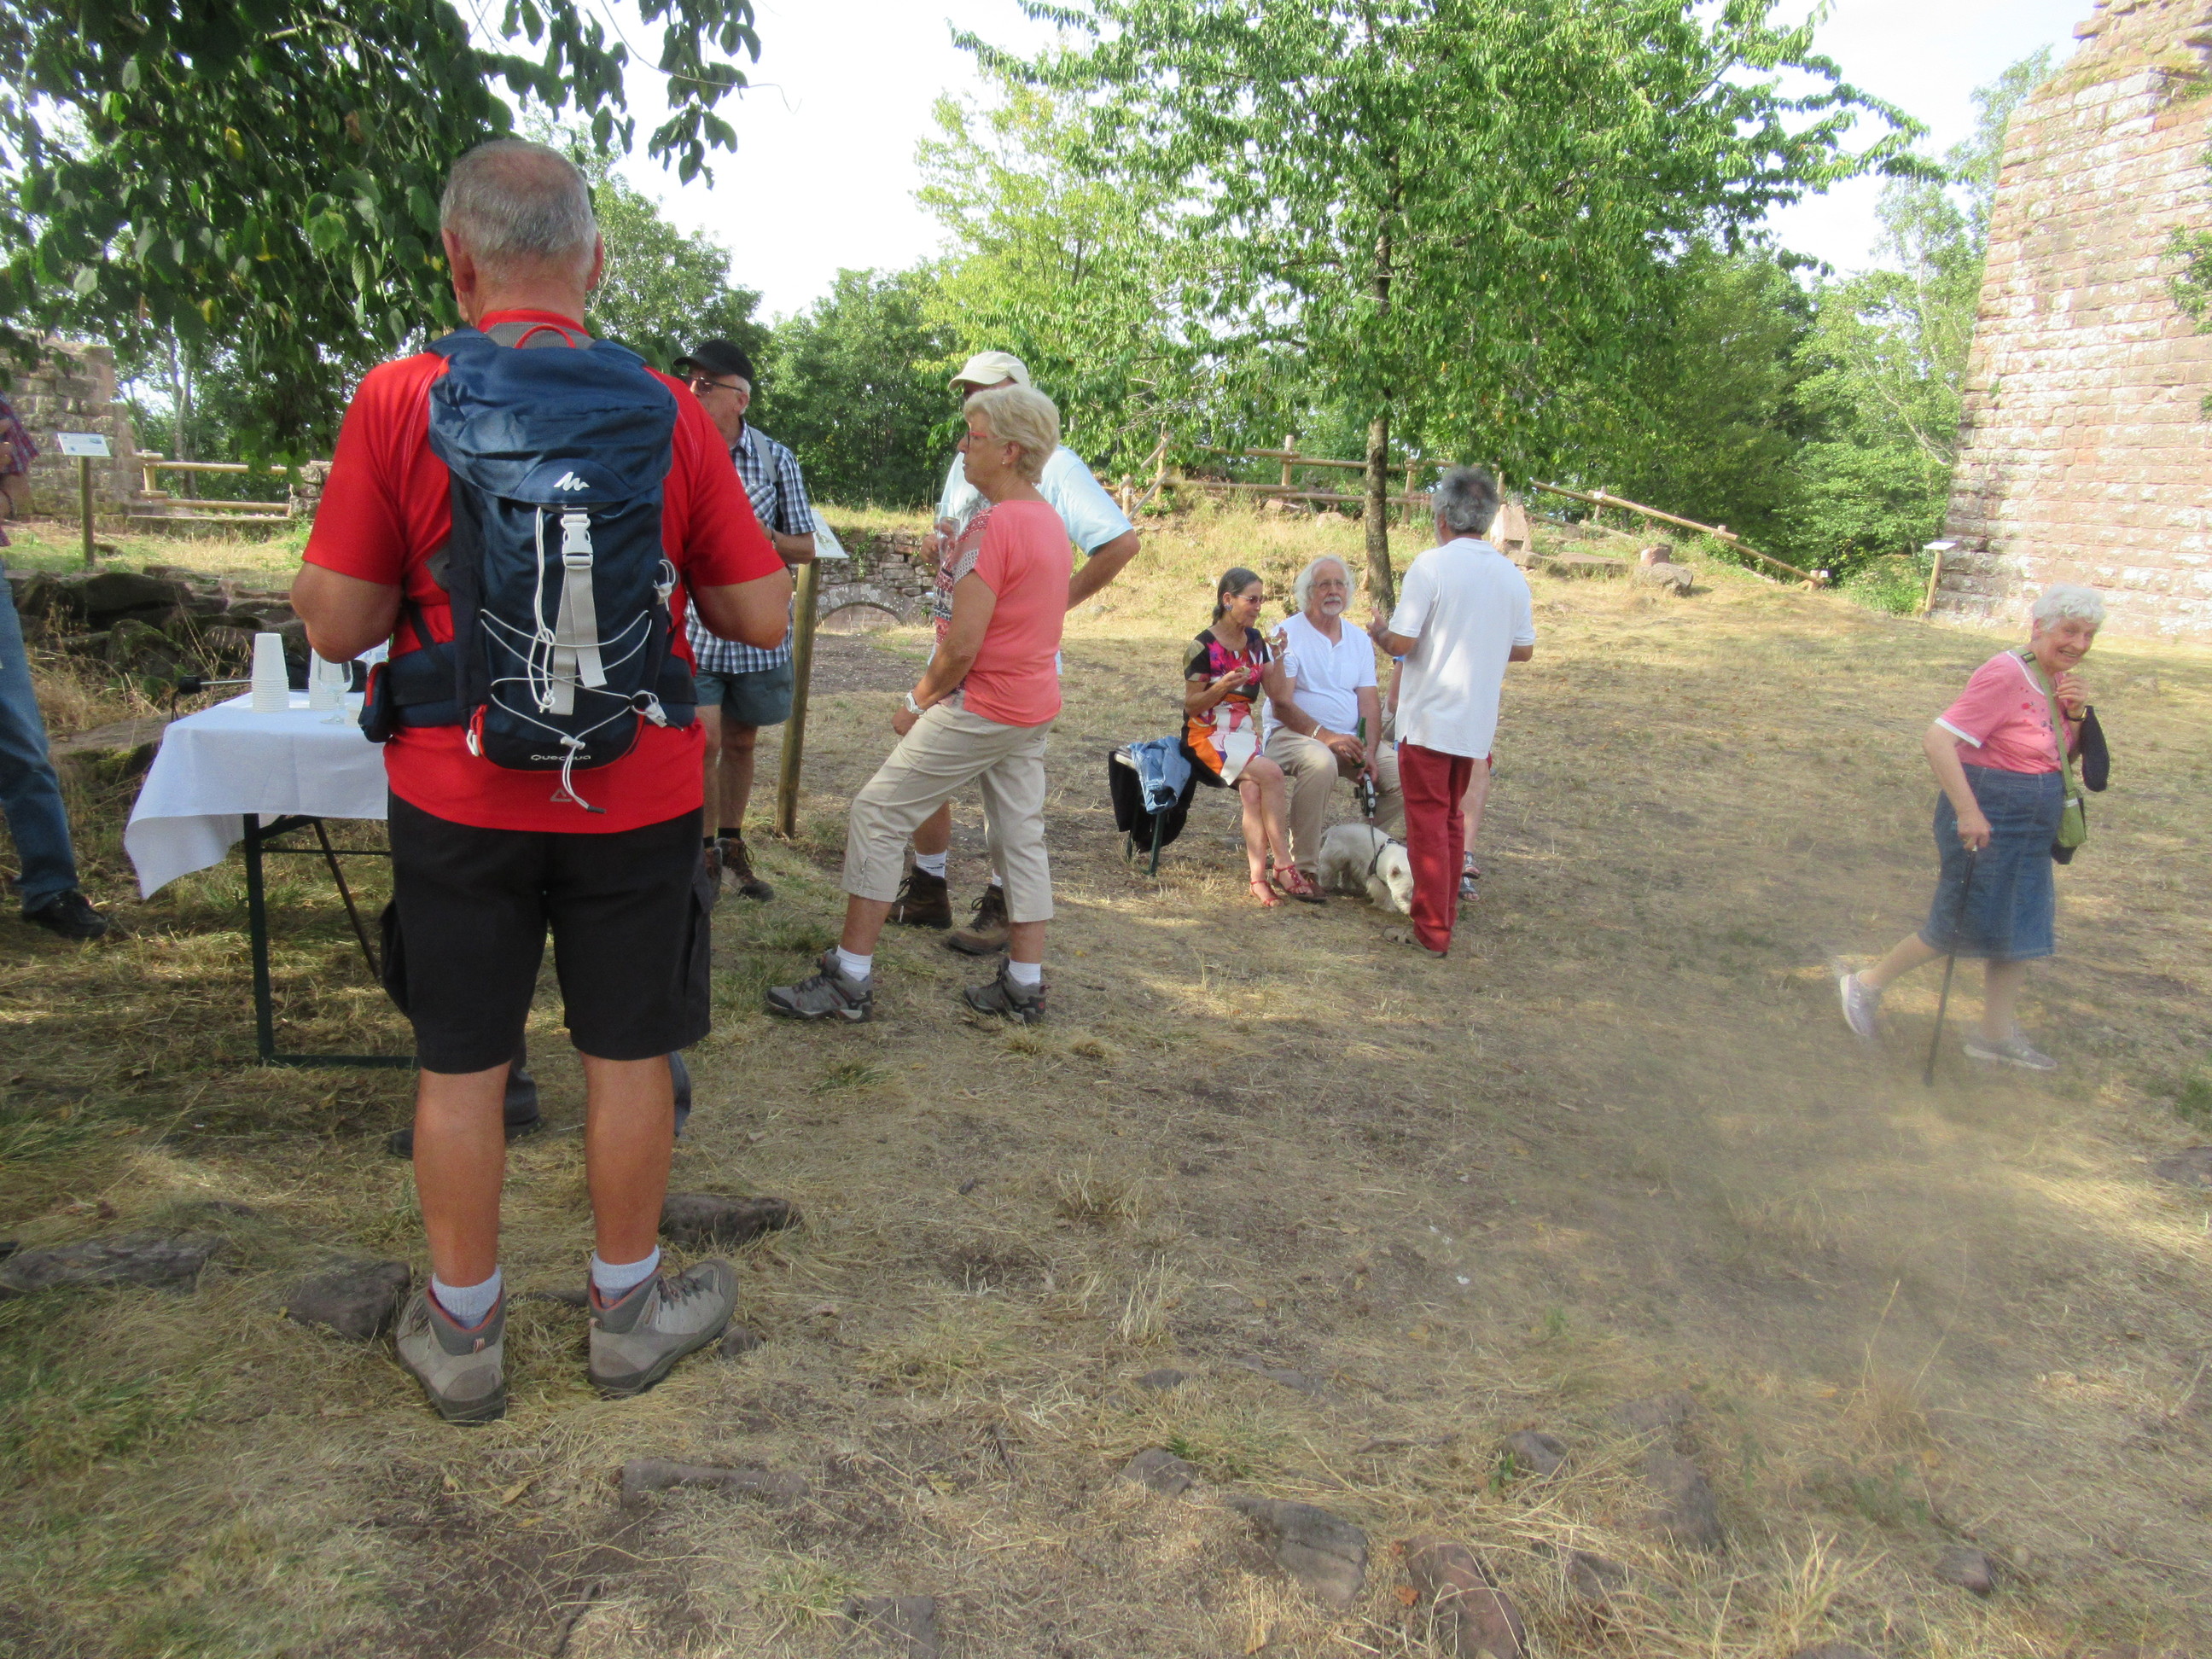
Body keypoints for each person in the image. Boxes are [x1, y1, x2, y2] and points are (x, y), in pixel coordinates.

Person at [291, 139, 792, 1423]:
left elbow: (338, 624)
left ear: (458, 262)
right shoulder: (670, 411)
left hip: (455, 790)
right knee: (628, 1053)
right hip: (638, 788)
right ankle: (627, 1314)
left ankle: (464, 1334)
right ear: (597, 262)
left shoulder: (398, 397)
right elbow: (759, 613)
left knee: (463, 1063)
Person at [765, 385, 1070, 1024]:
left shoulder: (994, 524)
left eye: (975, 436)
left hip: (984, 704)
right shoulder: (1047, 520)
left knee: (877, 813)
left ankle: (850, 978)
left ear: (1010, 451)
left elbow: (961, 646)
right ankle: (1024, 984)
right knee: (1020, 837)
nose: (962, 446)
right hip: (1032, 703)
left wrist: (916, 701)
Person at [887, 350, 1141, 953]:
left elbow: (1119, 543)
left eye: (986, 390)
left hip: (1009, 664)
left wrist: (1052, 605)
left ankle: (1002, 907)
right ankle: (930, 887)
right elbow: (961, 539)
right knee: (928, 765)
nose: (971, 401)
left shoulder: (1056, 465)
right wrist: (938, 549)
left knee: (1000, 796)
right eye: (967, 392)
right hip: (956, 646)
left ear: (1019, 398)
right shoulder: (968, 460)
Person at [1837, 584, 2104, 1071]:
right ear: (2039, 627)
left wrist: (2076, 715)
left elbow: (2058, 759)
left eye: (2089, 635)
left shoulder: (2057, 681)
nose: (2080, 644)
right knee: (1959, 923)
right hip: (1988, 814)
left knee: (2020, 928)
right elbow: (1937, 740)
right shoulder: (2005, 674)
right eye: (2070, 631)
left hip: (2031, 822)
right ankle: (1865, 985)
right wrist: (1968, 811)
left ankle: (1993, 1035)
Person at [1366, 467, 1534, 957]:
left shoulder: (1432, 566)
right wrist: (1481, 643)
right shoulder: (1510, 575)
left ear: (1442, 516)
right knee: (1452, 823)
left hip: (1430, 720)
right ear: (1487, 518)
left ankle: (1431, 930)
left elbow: (1403, 642)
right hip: (1475, 722)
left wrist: (1379, 633)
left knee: (1427, 826)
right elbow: (1524, 649)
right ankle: (1444, 918)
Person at [671, 339, 816, 904]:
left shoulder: (776, 460)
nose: (694, 391)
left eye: (707, 384)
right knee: (702, 740)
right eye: (691, 381)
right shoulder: (676, 449)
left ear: (741, 398)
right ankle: (702, 852)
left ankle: (732, 844)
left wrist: (763, 537)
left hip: (756, 632)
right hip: (696, 630)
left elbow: (804, 546)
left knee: (740, 741)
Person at [1185, 568, 1322, 907]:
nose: (1259, 607)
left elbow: (1277, 695)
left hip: (1242, 732)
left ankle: (1257, 878)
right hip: (1206, 733)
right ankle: (1284, 865)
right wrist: (1222, 686)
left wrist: (1278, 655)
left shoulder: (1257, 641)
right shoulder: (1202, 646)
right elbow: (1192, 707)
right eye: (1252, 600)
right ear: (1228, 600)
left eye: (1262, 600)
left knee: (1252, 791)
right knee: (1271, 773)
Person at [1262, 555, 1404, 882]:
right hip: (1293, 736)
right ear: (1308, 592)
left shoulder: (1358, 639)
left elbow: (1369, 702)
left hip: (1349, 739)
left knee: (1403, 776)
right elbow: (1281, 704)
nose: (1333, 591)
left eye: (1340, 584)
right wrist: (1328, 738)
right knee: (1321, 762)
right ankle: (1304, 868)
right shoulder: (1287, 633)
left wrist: (1369, 750)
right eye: (1324, 584)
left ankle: (1358, 853)